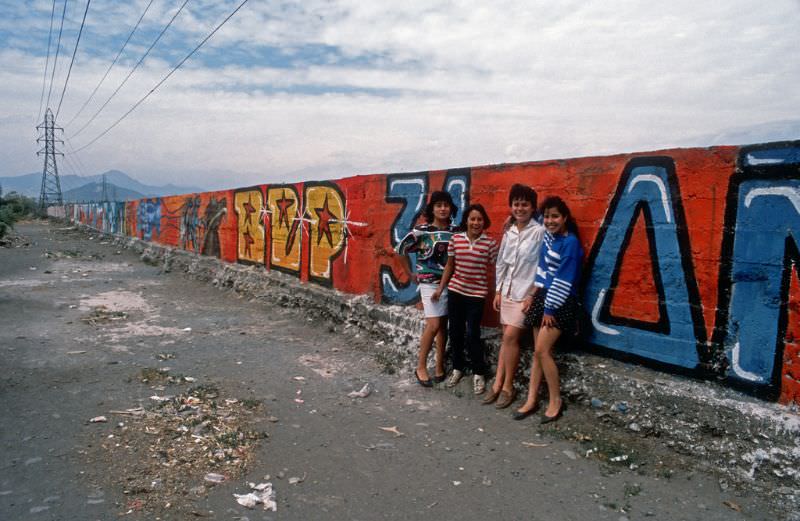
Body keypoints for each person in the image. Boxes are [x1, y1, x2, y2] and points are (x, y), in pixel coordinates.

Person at [515, 196, 583, 423]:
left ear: (565, 218)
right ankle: (531, 400)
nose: (550, 220)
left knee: (542, 351)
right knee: (538, 352)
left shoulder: (570, 243)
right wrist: (533, 296)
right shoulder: (548, 236)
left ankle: (556, 401)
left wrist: (550, 309)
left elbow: (564, 279)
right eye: (547, 216)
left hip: (560, 301)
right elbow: (542, 269)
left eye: (555, 216)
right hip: (543, 296)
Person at [485, 184, 545, 409]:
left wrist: (533, 294)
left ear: (533, 207)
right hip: (507, 293)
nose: (520, 208)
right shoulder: (508, 232)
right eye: (516, 204)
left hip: (525, 295)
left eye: (525, 204)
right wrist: (498, 291)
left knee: (511, 337)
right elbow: (501, 263)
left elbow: (543, 266)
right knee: (506, 339)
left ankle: (508, 386)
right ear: (511, 206)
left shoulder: (539, 232)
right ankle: (497, 383)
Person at [432, 204, 498, 394]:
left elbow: (498, 268)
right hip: (456, 292)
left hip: (477, 295)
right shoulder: (456, 239)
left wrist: (500, 292)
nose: (476, 223)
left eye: (479, 219)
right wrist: (440, 289)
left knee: (472, 334)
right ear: (466, 221)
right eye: (472, 219)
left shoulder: (490, 244)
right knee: (455, 332)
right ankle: (457, 368)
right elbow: (449, 266)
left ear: (484, 222)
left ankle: (479, 372)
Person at [396, 191, 458, 387]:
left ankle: (439, 365)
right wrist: (409, 273)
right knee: (433, 325)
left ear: (451, 208)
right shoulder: (421, 231)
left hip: (450, 283)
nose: (443, 209)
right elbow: (400, 250)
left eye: (446, 205)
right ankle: (420, 366)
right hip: (430, 284)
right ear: (432, 209)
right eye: (438, 205)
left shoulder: (456, 231)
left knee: (443, 326)